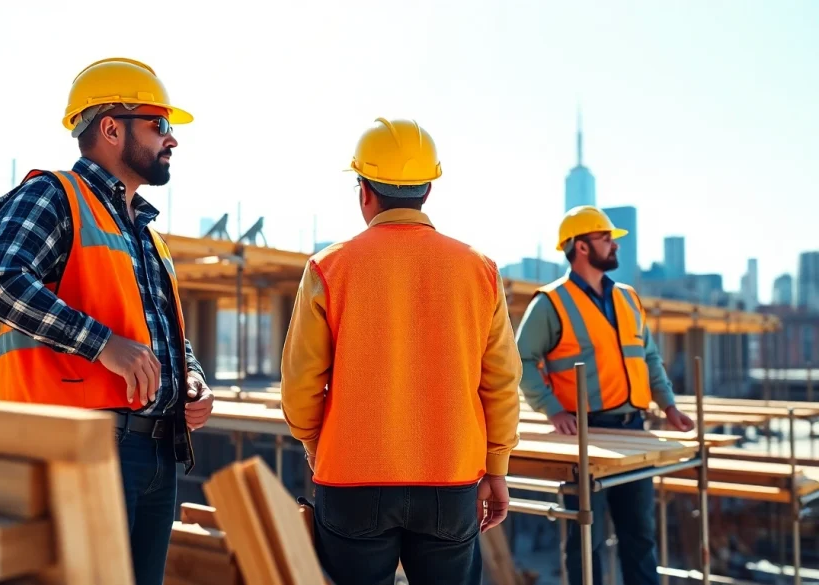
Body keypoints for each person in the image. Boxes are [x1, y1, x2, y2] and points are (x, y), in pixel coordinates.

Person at [0, 57, 214, 585]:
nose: (172, 140)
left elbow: (159, 331)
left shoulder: (148, 235)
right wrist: (103, 345)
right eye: (160, 125)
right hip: (85, 444)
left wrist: (190, 376)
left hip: (156, 451)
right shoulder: (51, 196)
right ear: (110, 128)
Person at [279, 117, 522, 585]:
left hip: (351, 478)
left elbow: (301, 381)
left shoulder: (329, 268)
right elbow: (501, 381)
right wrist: (497, 467)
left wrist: (314, 443)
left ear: (363, 192)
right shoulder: (480, 270)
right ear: (427, 191)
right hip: (450, 480)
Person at [515, 205, 695, 585]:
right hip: (585, 435)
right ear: (580, 247)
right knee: (586, 538)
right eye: (605, 238)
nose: (613, 245)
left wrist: (669, 405)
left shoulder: (628, 298)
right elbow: (521, 360)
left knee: (640, 535)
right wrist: (551, 411)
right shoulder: (550, 302)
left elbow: (648, 357)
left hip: (633, 430)